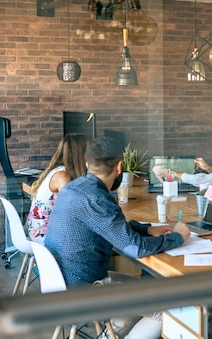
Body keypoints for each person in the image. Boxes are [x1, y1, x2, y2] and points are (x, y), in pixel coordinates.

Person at [44, 136, 190, 339]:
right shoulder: (97, 197)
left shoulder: (74, 188)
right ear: (119, 166)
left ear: (87, 163)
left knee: (141, 293)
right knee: (165, 309)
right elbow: (135, 249)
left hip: (62, 282)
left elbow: (106, 226)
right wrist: (178, 237)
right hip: (86, 288)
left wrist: (145, 229)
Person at [25, 133, 88, 243]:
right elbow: (72, 208)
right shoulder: (62, 176)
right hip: (43, 236)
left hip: (39, 231)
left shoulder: (59, 170)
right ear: (80, 153)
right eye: (89, 151)